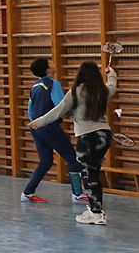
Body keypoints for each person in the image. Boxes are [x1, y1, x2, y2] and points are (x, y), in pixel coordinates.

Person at [30, 58, 117, 226]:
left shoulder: (76, 92)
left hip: (87, 136)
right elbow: (112, 86)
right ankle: (95, 209)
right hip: (105, 136)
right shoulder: (103, 91)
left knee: (88, 174)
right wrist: (112, 74)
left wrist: (39, 122)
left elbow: (58, 111)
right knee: (94, 173)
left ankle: (96, 213)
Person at [21, 57, 84, 204]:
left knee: (46, 161)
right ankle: (78, 194)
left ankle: (27, 193)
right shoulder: (53, 83)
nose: (54, 64)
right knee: (72, 158)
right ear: (47, 69)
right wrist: (79, 114)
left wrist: (37, 123)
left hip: (35, 127)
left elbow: (30, 110)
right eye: (51, 63)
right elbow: (61, 105)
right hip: (49, 127)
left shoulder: (35, 86)